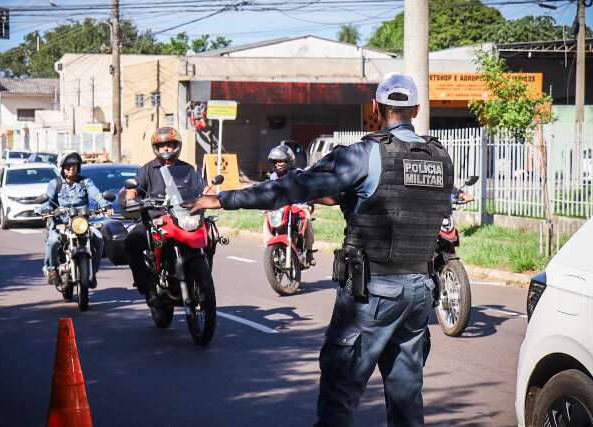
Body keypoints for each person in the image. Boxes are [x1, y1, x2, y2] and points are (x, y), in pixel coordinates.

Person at [185, 72, 454, 427]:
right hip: (420, 290)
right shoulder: (440, 156)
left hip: (371, 293)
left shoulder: (366, 154)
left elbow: (292, 187)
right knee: (406, 397)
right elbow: (398, 200)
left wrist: (224, 199)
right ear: (417, 109)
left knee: (339, 392)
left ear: (376, 108)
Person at [124, 126, 205, 307]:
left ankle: (201, 276)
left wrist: (214, 196)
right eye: (162, 146)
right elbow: (133, 189)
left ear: (177, 146)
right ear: (156, 148)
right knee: (132, 242)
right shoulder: (147, 169)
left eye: (169, 145)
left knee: (210, 235)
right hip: (155, 220)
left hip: (182, 218)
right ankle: (147, 287)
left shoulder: (187, 169)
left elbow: (202, 188)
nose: (166, 149)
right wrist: (132, 199)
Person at [41, 150, 113, 288]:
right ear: (62, 167)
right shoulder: (55, 184)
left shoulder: (86, 182)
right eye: (68, 165)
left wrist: (105, 205)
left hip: (81, 222)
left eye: (74, 165)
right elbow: (47, 200)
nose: (71, 168)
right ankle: (52, 269)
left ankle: (93, 272)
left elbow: (97, 195)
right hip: (61, 223)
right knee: (53, 240)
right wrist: (46, 210)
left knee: (98, 237)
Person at [263, 144, 315, 265]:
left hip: (298, 206)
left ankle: (309, 251)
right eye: (275, 161)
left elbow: (310, 187)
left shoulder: (298, 174)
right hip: (280, 208)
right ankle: (269, 249)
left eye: (280, 161)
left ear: (289, 160)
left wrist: (310, 198)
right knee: (266, 221)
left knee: (307, 219)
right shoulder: (273, 176)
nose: (277, 164)